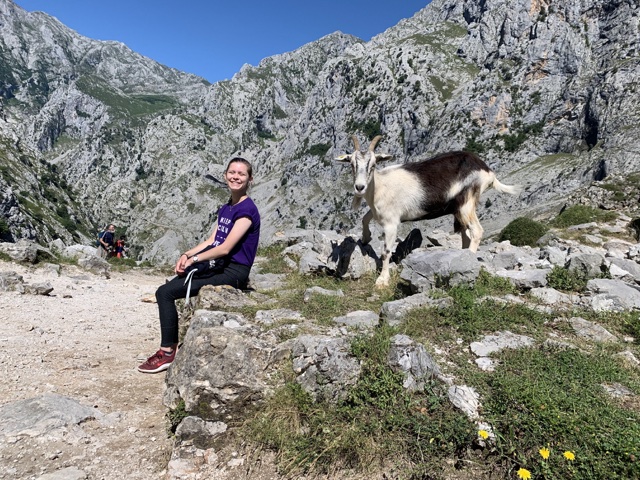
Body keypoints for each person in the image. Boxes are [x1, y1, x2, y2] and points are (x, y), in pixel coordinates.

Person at [138, 157, 260, 374]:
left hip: (234, 272)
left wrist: (195, 260)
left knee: (165, 293)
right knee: (168, 288)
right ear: (225, 175)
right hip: (220, 265)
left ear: (250, 179)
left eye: (241, 174)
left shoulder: (246, 210)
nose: (235, 177)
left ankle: (167, 352)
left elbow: (225, 248)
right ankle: (169, 348)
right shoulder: (227, 207)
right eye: (232, 172)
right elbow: (212, 240)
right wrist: (187, 254)